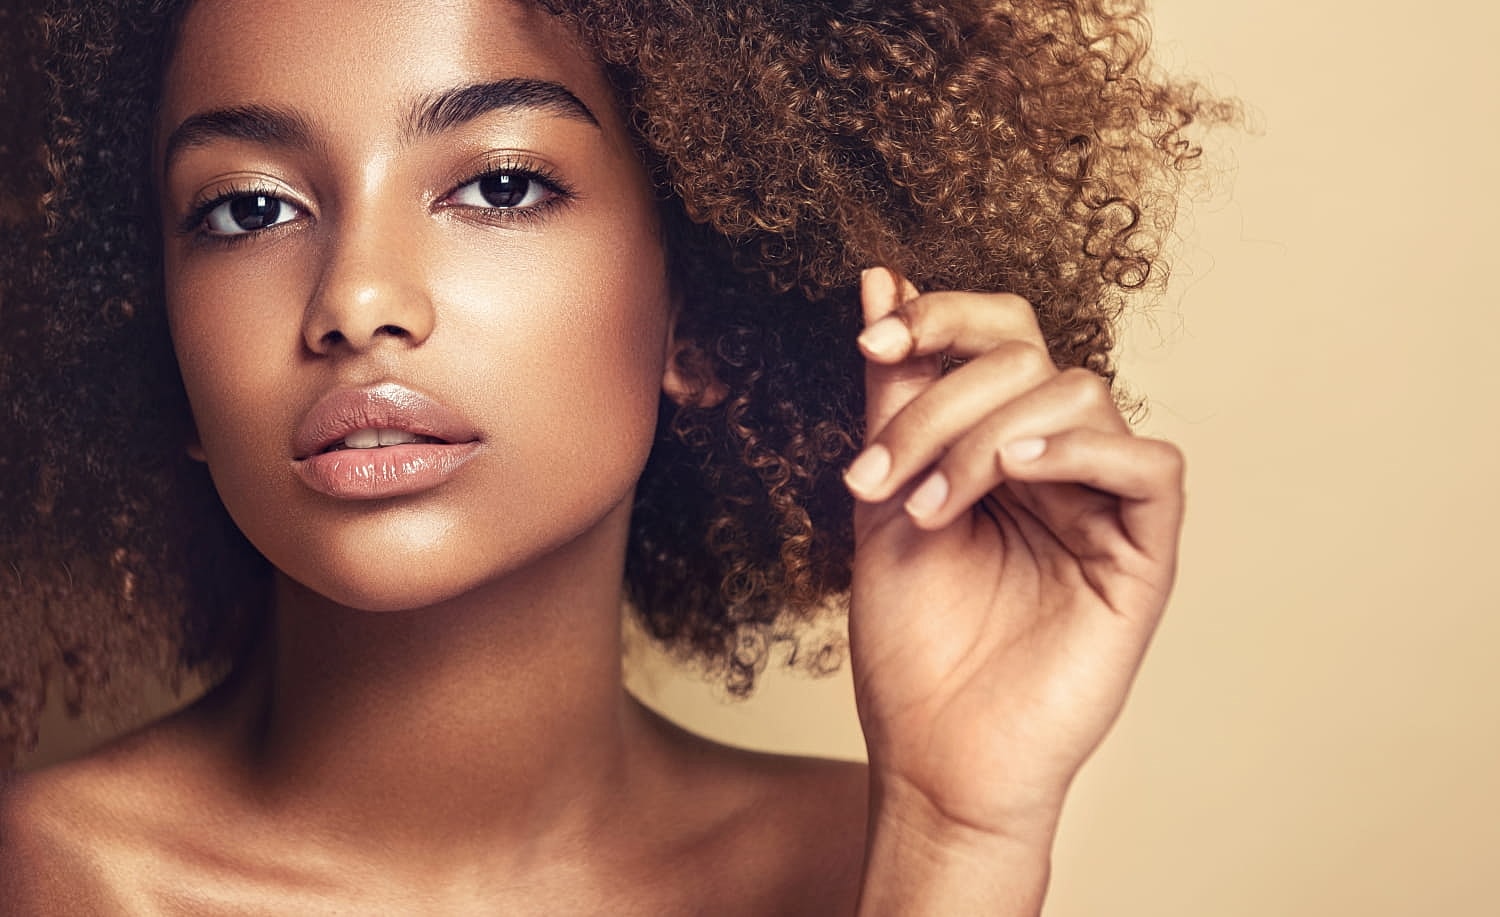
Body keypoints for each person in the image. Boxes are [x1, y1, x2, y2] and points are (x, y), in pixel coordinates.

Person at [0, 0, 1222, 911]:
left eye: (501, 184)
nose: (357, 299)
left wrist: (957, 844)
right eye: (248, 209)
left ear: (694, 310)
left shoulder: (876, 862)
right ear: (152, 332)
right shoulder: (48, 873)